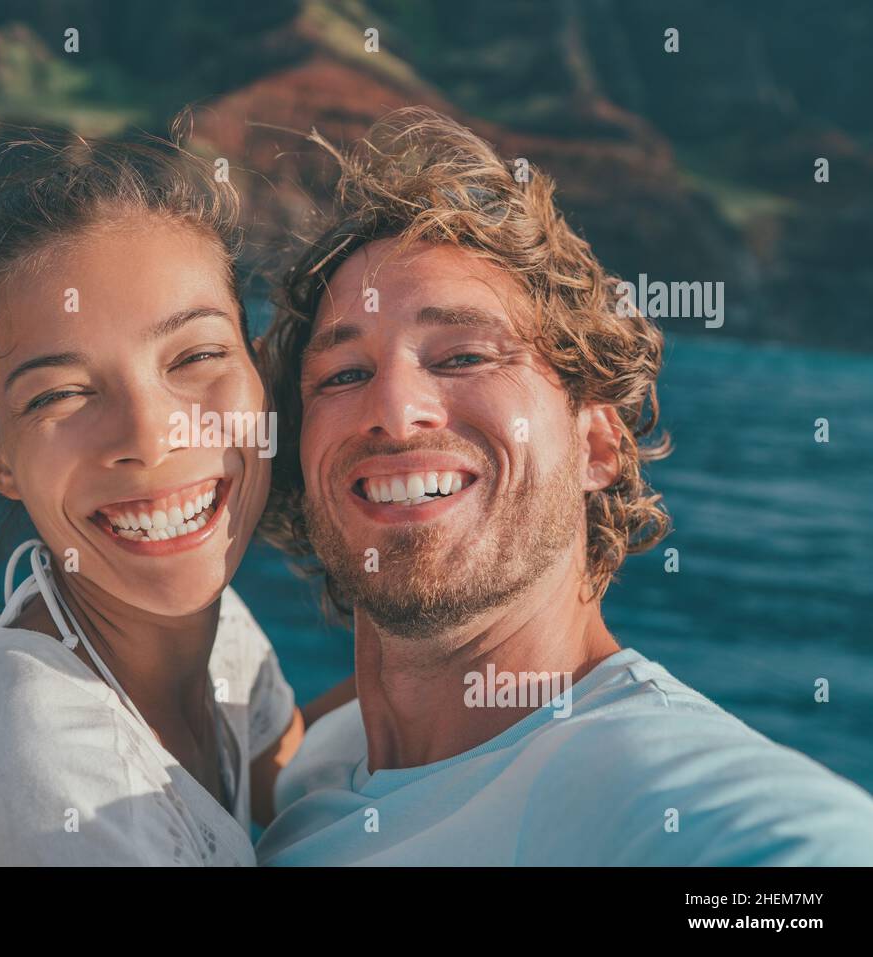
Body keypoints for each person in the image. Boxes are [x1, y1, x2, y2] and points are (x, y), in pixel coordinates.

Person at [254, 107, 873, 865]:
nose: (394, 410)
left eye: (463, 356)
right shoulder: (322, 762)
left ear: (599, 443)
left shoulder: (649, 785)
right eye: (345, 374)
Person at [0, 129, 353, 866]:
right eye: (61, 393)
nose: (150, 437)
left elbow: (286, 767)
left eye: (195, 355)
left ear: (260, 374)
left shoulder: (220, 637)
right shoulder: (40, 766)